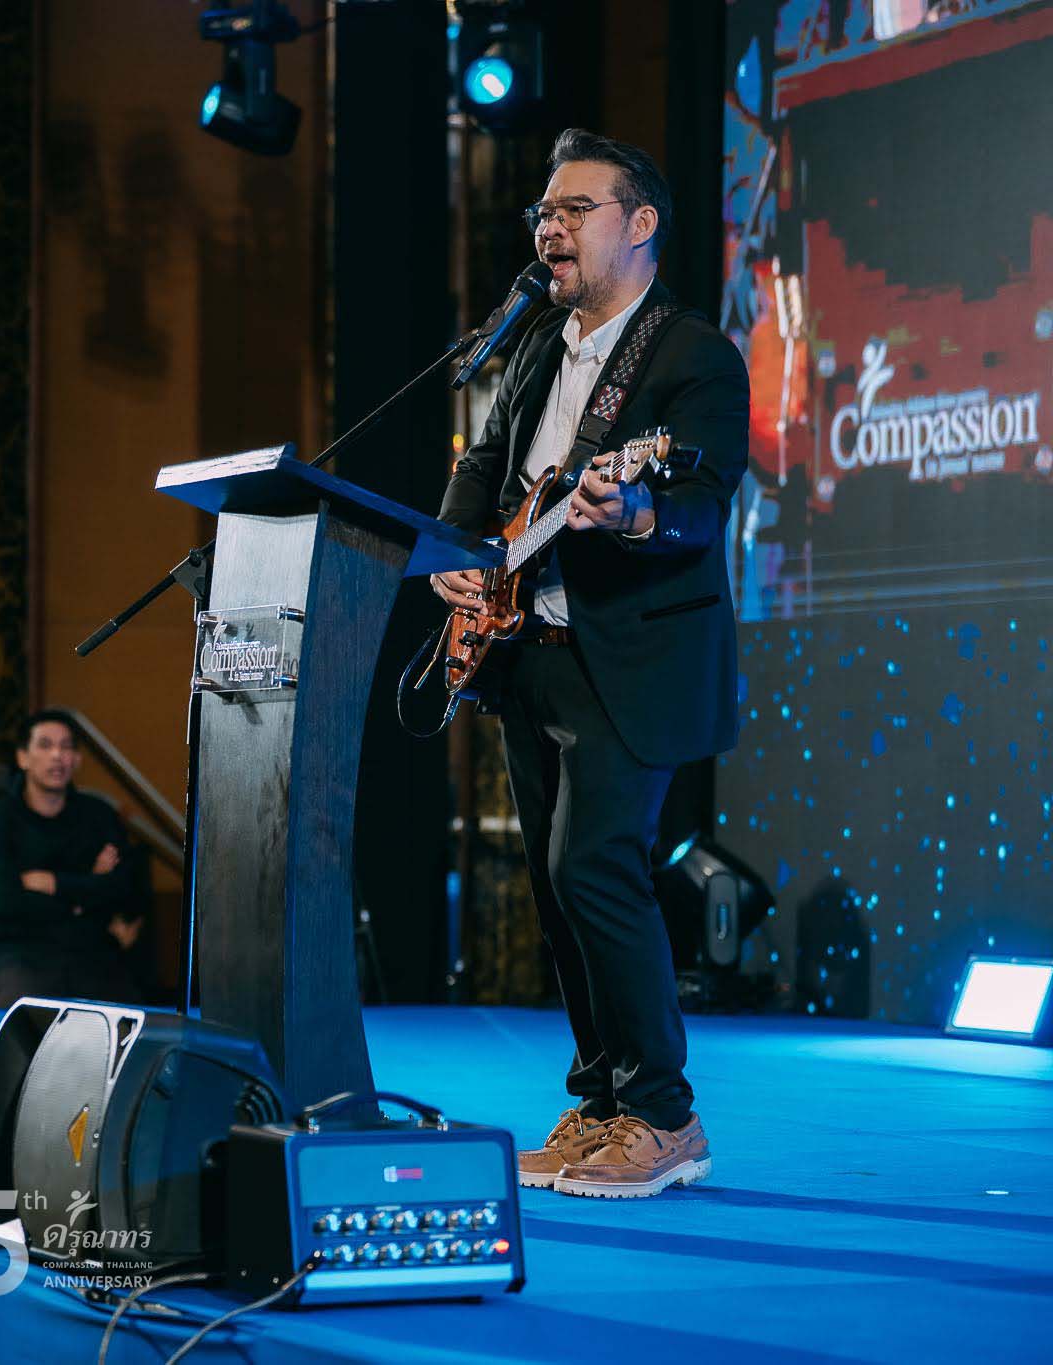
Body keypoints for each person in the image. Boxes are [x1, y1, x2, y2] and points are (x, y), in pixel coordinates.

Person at [431, 129, 749, 1198]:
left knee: (591, 867)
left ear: (640, 223)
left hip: (631, 657)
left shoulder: (691, 353)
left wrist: (637, 511)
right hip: (529, 648)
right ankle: (601, 1101)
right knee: (555, 886)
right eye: (543, 212)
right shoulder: (536, 345)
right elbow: (485, 464)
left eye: (574, 210)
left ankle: (663, 1114)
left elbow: (701, 502)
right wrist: (455, 550)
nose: (549, 228)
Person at [0, 710, 146, 1009]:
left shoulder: (99, 815)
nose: (57, 755)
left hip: (92, 950)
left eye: (66, 747)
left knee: (132, 1021)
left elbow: (122, 888)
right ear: (23, 758)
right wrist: (85, 891)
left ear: (77, 759)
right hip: (22, 952)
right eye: (45, 745)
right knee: (18, 1018)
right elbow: (5, 901)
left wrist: (54, 883)